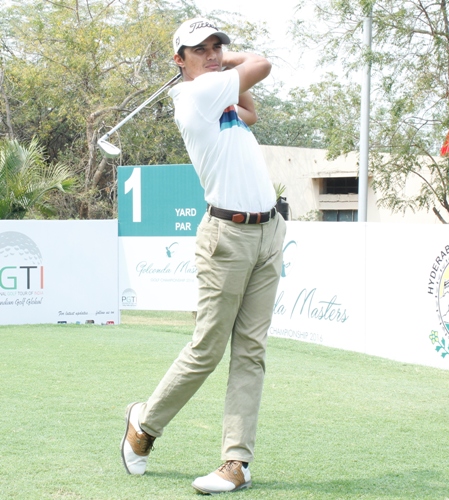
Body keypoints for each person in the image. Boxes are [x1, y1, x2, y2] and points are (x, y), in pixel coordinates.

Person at [120, 18, 286, 495]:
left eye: (218, 46)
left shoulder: (217, 97)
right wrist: (228, 62)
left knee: (251, 351)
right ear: (179, 60)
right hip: (227, 237)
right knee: (208, 348)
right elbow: (262, 64)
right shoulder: (197, 95)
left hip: (268, 230)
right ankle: (144, 424)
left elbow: (249, 111)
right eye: (201, 49)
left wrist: (216, 67)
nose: (213, 54)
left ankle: (236, 462)